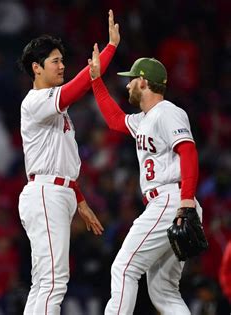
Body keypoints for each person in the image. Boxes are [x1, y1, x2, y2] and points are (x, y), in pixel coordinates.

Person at [17, 10, 120, 314]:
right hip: (46, 193)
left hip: (57, 192)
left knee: (45, 281)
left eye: (63, 60)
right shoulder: (36, 101)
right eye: (55, 61)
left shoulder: (53, 106)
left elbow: (60, 161)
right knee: (53, 280)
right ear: (37, 68)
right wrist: (110, 49)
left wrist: (81, 201)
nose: (62, 66)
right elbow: (80, 86)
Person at [88, 45, 204, 314]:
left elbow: (188, 152)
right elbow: (116, 120)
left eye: (131, 80)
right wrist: (95, 79)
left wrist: (186, 202)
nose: (127, 86)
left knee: (124, 268)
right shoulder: (145, 119)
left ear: (142, 80)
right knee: (163, 291)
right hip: (172, 201)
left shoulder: (167, 112)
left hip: (171, 199)